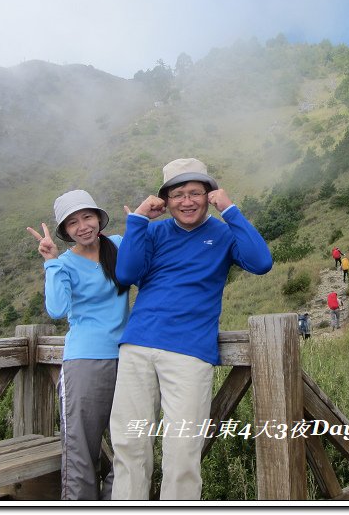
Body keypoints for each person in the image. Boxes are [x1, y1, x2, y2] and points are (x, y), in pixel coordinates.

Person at [109, 158, 273, 500]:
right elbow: (125, 274)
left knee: (182, 449)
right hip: (137, 346)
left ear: (208, 195)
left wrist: (229, 209)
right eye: (178, 194)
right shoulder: (153, 231)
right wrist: (137, 220)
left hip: (189, 352)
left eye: (195, 192)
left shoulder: (224, 233)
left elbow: (261, 262)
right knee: (129, 443)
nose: (187, 201)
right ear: (166, 200)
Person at [26, 190, 130, 500]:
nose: (82, 226)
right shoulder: (66, 264)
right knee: (81, 448)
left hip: (128, 357)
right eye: (72, 223)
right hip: (85, 361)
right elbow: (57, 310)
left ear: (98, 217)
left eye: (87, 216)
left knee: (131, 443)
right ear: (65, 231)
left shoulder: (119, 246)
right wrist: (51, 262)